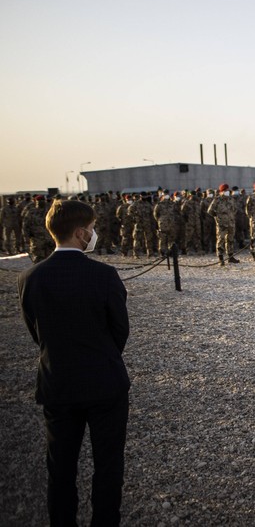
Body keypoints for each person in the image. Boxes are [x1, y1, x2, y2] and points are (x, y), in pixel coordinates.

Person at [18, 198, 130, 526]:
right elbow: (119, 329)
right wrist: (102, 356)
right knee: (108, 466)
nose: (94, 235)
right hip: (104, 384)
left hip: (58, 383)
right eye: (93, 230)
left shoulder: (29, 277)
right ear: (81, 233)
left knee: (61, 469)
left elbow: (36, 331)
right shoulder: (104, 275)